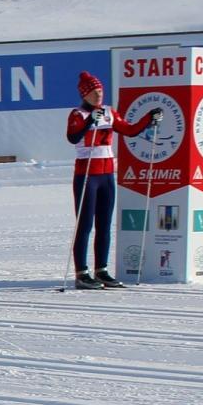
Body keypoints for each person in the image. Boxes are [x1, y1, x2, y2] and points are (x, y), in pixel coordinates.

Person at [67, 72, 160, 289]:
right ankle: (82, 273)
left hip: (107, 174)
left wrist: (149, 119)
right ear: (85, 94)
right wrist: (90, 121)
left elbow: (129, 130)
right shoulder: (77, 114)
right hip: (87, 174)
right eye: (94, 92)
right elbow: (73, 137)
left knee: (104, 224)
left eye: (100, 91)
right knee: (85, 224)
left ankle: (102, 270)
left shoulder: (109, 112)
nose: (99, 95)